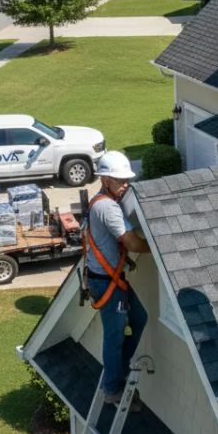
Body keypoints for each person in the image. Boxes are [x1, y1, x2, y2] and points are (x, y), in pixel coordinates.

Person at [84, 151, 151, 407]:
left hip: (109, 277)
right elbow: (131, 241)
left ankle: (118, 370)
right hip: (106, 282)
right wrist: (157, 248)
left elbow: (109, 243)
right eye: (120, 180)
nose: (126, 185)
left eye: (127, 180)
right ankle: (113, 388)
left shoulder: (104, 202)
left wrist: (124, 259)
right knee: (114, 337)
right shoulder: (107, 207)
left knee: (139, 318)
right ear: (106, 180)